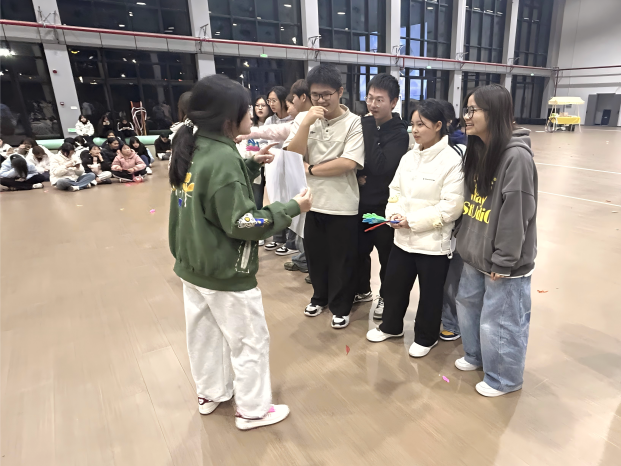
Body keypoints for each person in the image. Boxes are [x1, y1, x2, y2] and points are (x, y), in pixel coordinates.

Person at [168, 74, 312, 430]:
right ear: (227, 118)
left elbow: (212, 196)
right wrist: (291, 208)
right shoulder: (221, 158)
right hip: (225, 269)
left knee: (204, 335)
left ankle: (210, 393)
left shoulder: (193, 145)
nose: (252, 115)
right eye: (247, 110)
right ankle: (252, 410)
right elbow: (243, 222)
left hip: (193, 264)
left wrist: (249, 164)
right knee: (249, 341)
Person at [454, 84, 537, 397]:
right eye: (466, 109)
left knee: (501, 321)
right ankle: (476, 355)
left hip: (503, 261)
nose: (466, 116)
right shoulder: (478, 149)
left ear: (495, 113)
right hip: (475, 252)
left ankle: (504, 379)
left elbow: (516, 215)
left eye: (473, 110)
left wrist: (504, 260)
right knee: (469, 308)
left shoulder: (516, 157)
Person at [365, 99, 465, 358]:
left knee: (430, 294)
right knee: (394, 285)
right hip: (402, 238)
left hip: (432, 243)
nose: (415, 130)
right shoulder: (409, 157)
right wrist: (393, 214)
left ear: (439, 126)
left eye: (421, 124)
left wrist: (411, 221)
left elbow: (451, 207)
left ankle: (426, 337)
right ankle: (391, 326)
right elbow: (394, 191)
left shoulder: (452, 160)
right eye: (413, 124)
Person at [284, 63, 365, 329]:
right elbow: (293, 155)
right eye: (316, 94)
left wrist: (312, 169)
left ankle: (341, 307)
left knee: (342, 260)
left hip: (343, 203)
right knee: (315, 256)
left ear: (340, 92)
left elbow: (348, 162)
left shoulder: (354, 122)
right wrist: (306, 123)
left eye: (327, 94)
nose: (321, 100)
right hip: (311, 202)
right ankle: (319, 297)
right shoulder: (303, 119)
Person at [355, 73, 410, 319]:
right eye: (370, 98)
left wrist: (368, 128)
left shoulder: (399, 133)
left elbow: (380, 167)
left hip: (383, 208)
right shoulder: (363, 125)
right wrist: (359, 174)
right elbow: (354, 160)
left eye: (380, 99)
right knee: (359, 250)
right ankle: (362, 289)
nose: (373, 104)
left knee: (386, 255)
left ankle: (385, 296)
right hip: (361, 202)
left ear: (394, 102)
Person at [436, 100, 468, 342]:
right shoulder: (422, 152)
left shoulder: (461, 150)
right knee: (438, 277)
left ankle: (452, 322)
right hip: (433, 225)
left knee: (452, 279)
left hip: (456, 226)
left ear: (444, 123)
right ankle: (441, 316)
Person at [263, 86, 297, 255]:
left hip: (290, 166)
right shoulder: (270, 121)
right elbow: (263, 141)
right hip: (273, 166)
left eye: (274, 100)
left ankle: (291, 241)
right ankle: (278, 237)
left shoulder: (294, 120)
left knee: (290, 201)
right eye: (269, 101)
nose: (271, 104)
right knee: (276, 200)